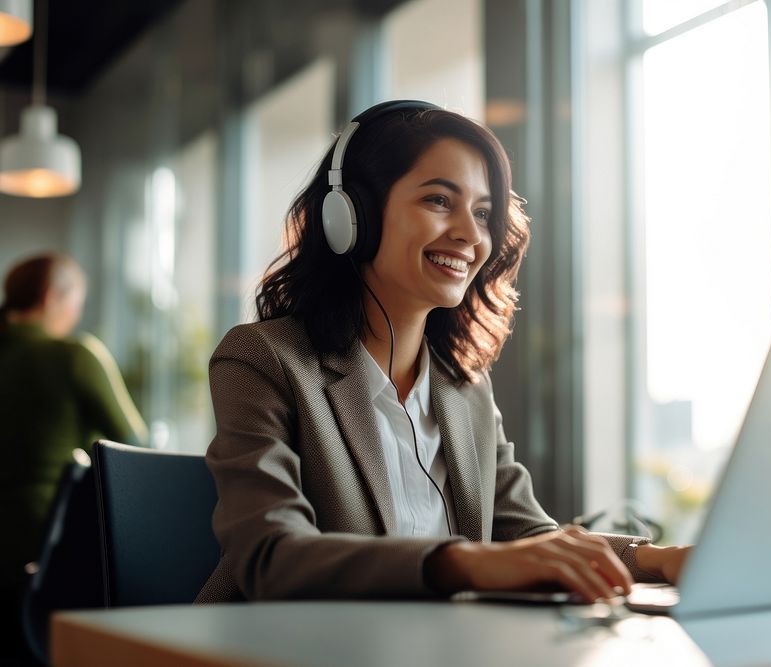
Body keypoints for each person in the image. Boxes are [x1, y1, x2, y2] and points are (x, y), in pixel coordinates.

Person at [196, 101, 687, 605]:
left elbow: (528, 536)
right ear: (351, 214)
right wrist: (460, 562)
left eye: (482, 213)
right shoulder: (264, 359)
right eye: (438, 201)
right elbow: (272, 557)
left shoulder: (463, 386)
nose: (471, 235)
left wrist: (661, 560)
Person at [0, 252, 148, 662]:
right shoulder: (74, 355)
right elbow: (136, 443)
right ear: (51, 298)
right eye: (75, 303)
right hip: (46, 548)